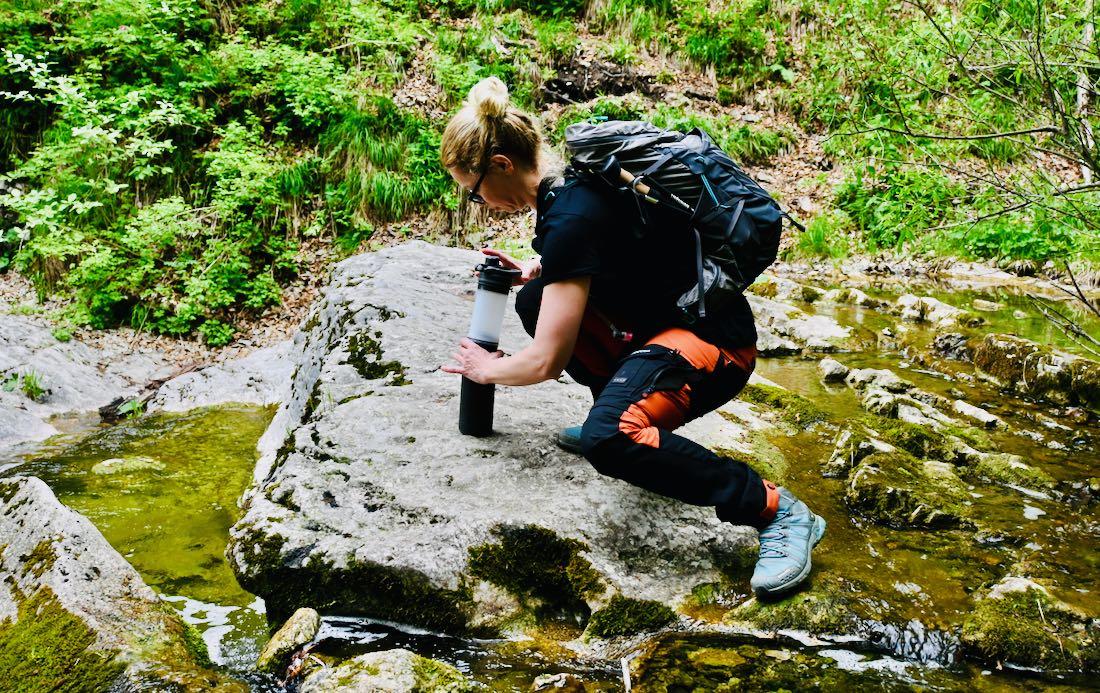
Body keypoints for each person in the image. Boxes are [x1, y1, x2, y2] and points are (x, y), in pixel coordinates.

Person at [438, 76, 825, 597]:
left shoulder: (570, 214)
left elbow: (544, 362)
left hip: (717, 347)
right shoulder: (574, 188)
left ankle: (775, 509)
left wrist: (485, 370)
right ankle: (621, 407)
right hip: (671, 327)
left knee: (609, 439)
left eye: (474, 189)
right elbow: (621, 250)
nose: (479, 202)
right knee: (535, 299)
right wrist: (546, 269)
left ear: (502, 165)